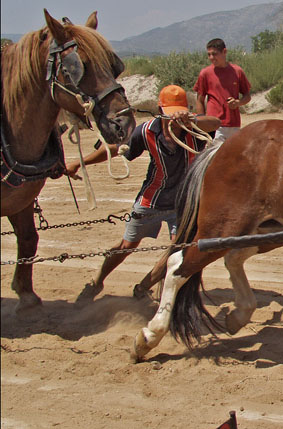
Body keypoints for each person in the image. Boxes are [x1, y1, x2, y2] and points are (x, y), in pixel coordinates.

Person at [70, 85, 221, 302]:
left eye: (177, 112)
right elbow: (116, 148)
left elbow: (215, 123)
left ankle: (144, 286)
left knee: (179, 251)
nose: (173, 119)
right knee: (127, 245)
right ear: (160, 109)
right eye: (169, 113)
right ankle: (97, 281)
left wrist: (192, 120)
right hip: (151, 200)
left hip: (182, 204)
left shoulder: (195, 129)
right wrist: (80, 162)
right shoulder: (147, 130)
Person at [193, 38, 251, 143]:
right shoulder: (205, 73)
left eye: (214, 54)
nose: (211, 58)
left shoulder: (237, 71)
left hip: (234, 124)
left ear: (224, 52)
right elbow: (200, 100)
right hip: (214, 125)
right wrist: (202, 123)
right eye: (209, 54)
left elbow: (247, 96)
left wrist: (238, 103)